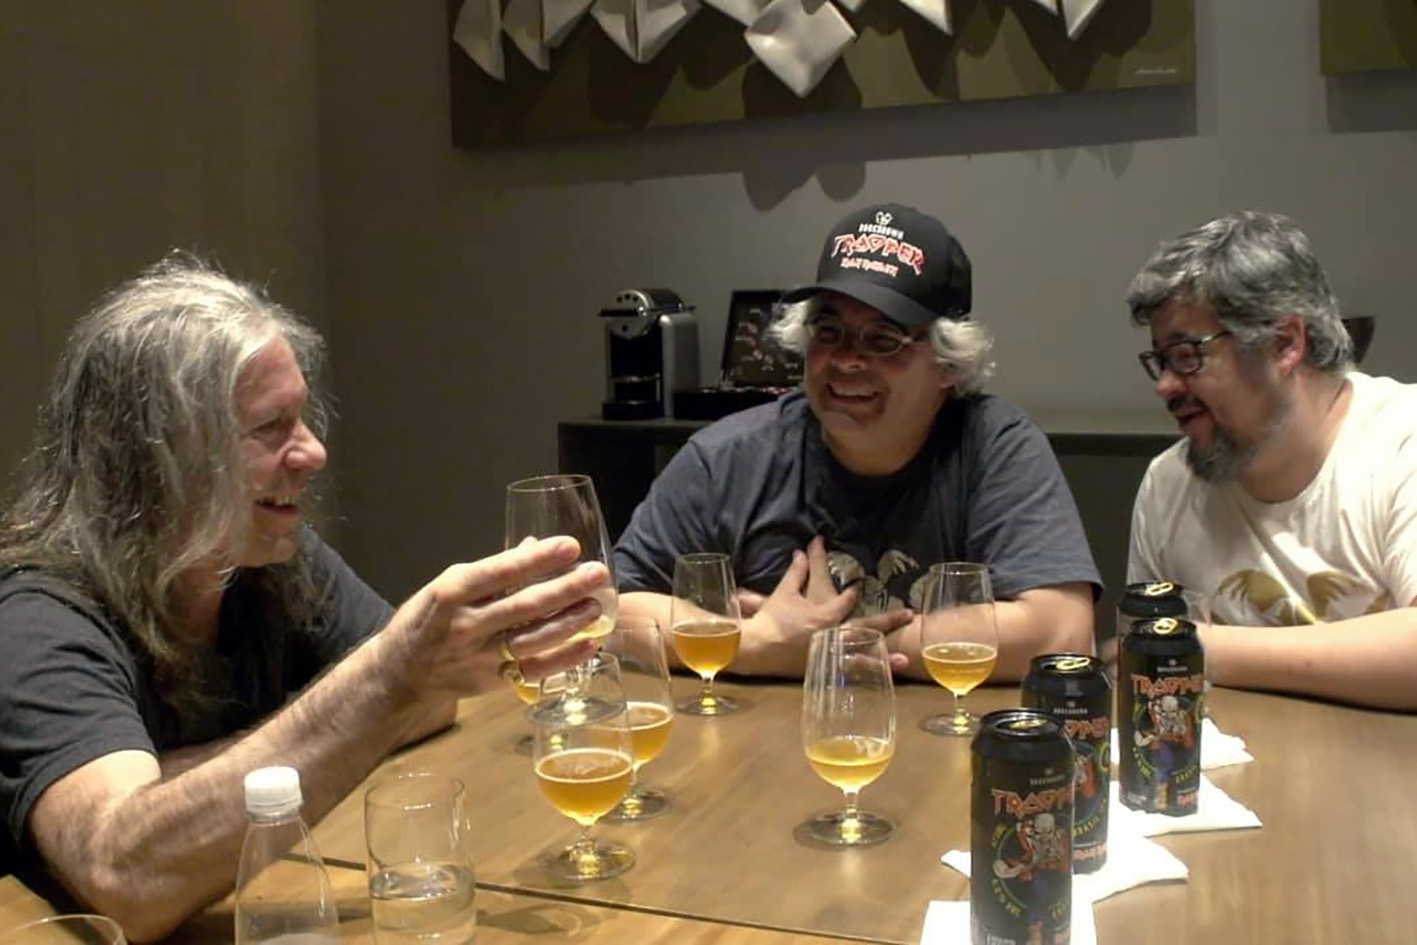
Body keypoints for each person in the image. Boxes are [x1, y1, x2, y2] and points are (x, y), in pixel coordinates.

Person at [0, 256, 606, 941]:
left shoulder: (269, 560)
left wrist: (183, 779)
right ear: (156, 455)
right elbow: (125, 877)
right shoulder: (36, 615)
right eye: (270, 426)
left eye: (302, 418)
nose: (313, 452)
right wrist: (383, 677)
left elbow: (426, 702)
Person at [615, 203, 1099, 680]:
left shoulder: (995, 445)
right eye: (829, 331)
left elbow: (1063, 633)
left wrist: (839, 645)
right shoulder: (725, 458)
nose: (846, 360)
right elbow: (611, 612)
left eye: (883, 339)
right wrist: (754, 645)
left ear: (948, 366)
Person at [1124, 211, 1417, 710]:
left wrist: (1201, 649)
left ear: (1285, 344)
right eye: (1161, 361)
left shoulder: (1400, 443)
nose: (1165, 386)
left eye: (1187, 356)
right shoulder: (1169, 484)